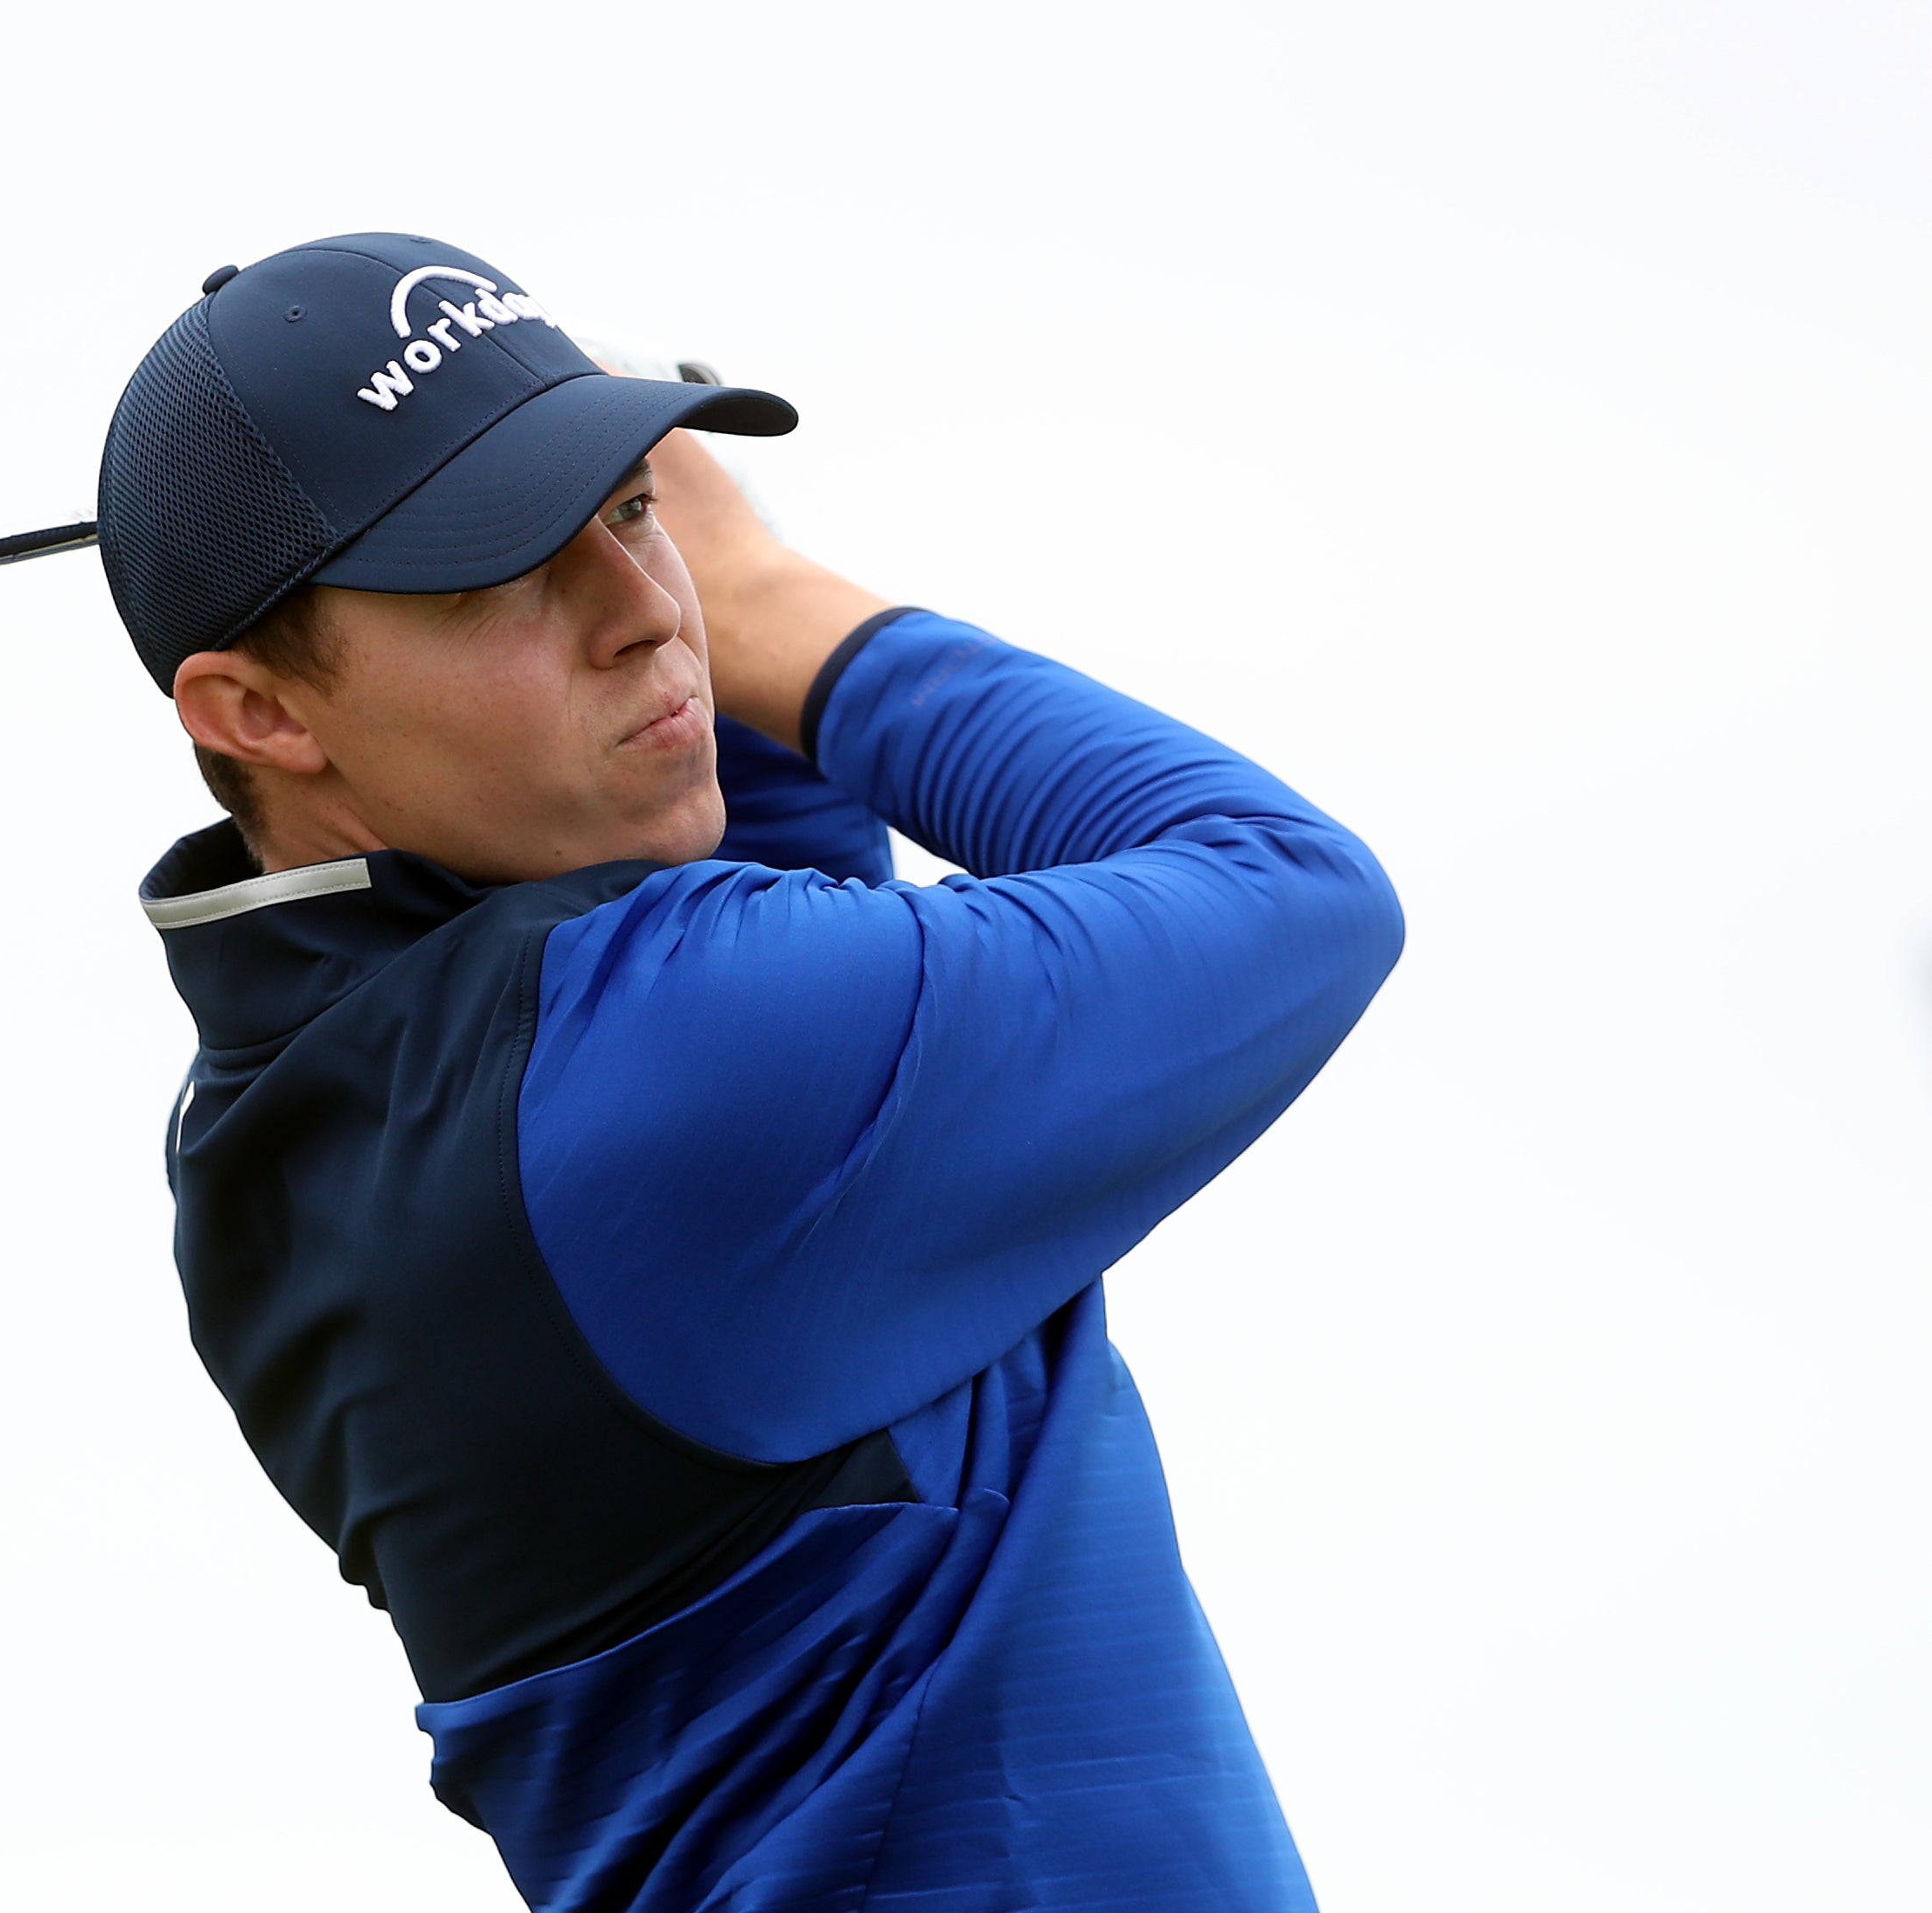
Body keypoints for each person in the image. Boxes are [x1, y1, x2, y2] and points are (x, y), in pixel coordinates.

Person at [98, 233, 1404, 1912]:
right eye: (500, 568)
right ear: (259, 711)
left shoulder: (281, 1128)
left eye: (629, 517)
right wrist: (774, 596)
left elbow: (755, 872)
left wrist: (568, 480)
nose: (646, 614)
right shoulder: (669, 1052)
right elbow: (1288, 893)